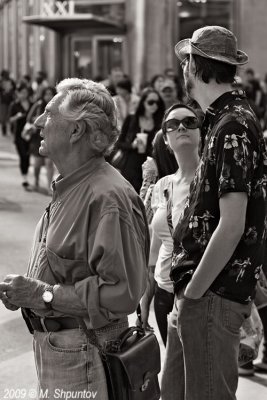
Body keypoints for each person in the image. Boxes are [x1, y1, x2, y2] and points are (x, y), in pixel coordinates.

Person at [0, 78, 149, 399]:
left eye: (50, 113)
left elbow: (121, 292)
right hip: (67, 350)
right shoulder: (73, 183)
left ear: (76, 131)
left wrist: (45, 296)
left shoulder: (107, 195)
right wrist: (28, 294)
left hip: (84, 352)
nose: (39, 121)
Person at [165, 25, 267, 400]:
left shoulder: (232, 124)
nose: (182, 69)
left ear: (193, 65)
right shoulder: (226, 120)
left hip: (209, 295)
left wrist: (192, 295)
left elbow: (232, 226)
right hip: (203, 292)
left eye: (185, 61)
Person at [148, 103, 201, 345]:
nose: (181, 127)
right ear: (166, 140)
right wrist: (143, 302)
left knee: (200, 377)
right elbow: (155, 247)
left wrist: (192, 294)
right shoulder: (162, 186)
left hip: (198, 295)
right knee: (172, 373)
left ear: (202, 133)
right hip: (163, 293)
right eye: (173, 124)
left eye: (190, 122)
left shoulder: (213, 180)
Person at [115, 87, 165, 193]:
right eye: (151, 102)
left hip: (150, 167)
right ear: (143, 102)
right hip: (131, 166)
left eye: (157, 102)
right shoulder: (132, 119)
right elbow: (119, 143)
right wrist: (132, 145)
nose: (154, 105)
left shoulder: (159, 122)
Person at [27, 86, 57, 193]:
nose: (48, 96)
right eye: (46, 94)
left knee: (49, 163)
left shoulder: (58, 107)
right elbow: (29, 117)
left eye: (50, 94)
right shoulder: (39, 105)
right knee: (37, 164)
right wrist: (36, 119)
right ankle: (35, 181)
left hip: (51, 137)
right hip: (37, 138)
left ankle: (49, 187)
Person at [9, 83, 33, 190]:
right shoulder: (14, 105)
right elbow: (10, 119)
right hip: (19, 134)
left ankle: (26, 174)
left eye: (25, 92)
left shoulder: (32, 104)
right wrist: (16, 117)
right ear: (17, 93)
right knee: (23, 155)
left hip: (30, 134)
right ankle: (24, 178)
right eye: (21, 92)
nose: (23, 94)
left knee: (27, 156)